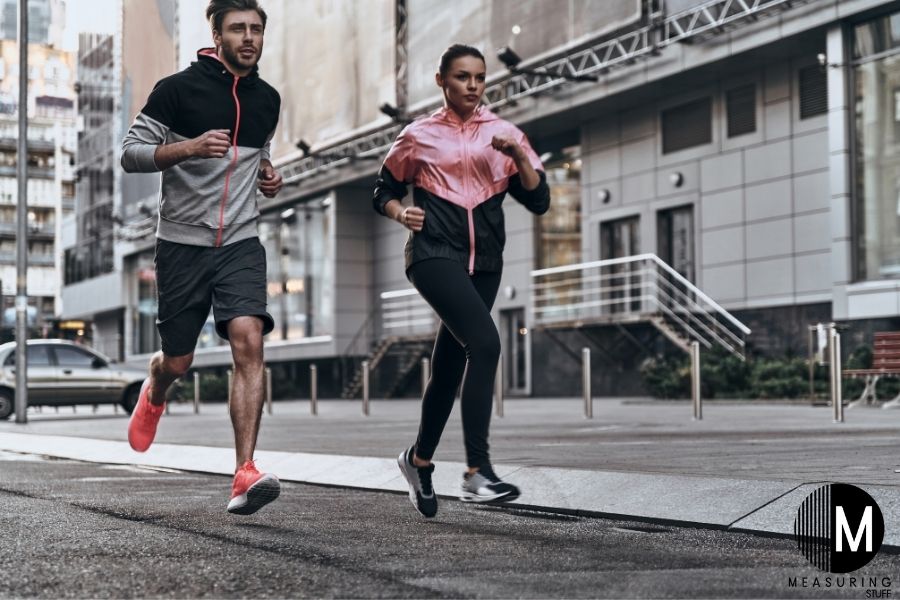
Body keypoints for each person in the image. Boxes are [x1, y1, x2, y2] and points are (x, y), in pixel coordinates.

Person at [120, 0, 283, 516]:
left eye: (257, 29)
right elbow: (130, 153)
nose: (250, 37)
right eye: (239, 28)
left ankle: (244, 472)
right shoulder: (177, 91)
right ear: (216, 34)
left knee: (248, 340)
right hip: (181, 246)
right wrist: (187, 148)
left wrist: (268, 174)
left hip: (239, 241)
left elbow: (257, 157)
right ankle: (156, 385)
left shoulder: (268, 100)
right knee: (180, 359)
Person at [373, 44, 551, 518]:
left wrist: (520, 158)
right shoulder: (418, 136)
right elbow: (383, 190)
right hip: (432, 254)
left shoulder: (506, 135)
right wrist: (399, 211)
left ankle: (418, 461)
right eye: (461, 77)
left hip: (485, 263)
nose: (472, 86)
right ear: (442, 81)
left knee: (450, 366)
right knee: (486, 344)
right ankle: (477, 471)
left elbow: (540, 202)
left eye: (478, 77)